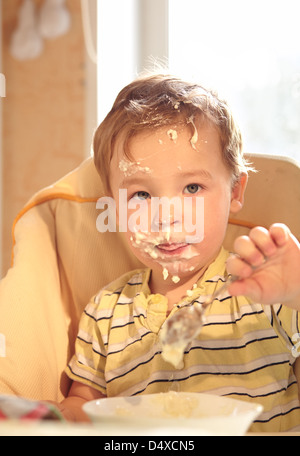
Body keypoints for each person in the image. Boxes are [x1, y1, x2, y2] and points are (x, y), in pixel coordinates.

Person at [55, 74, 300, 432]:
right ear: (113, 207)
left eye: (192, 187)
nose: (166, 215)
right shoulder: (105, 312)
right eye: (141, 195)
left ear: (235, 191)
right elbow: (83, 406)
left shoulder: (266, 287)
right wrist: (55, 415)